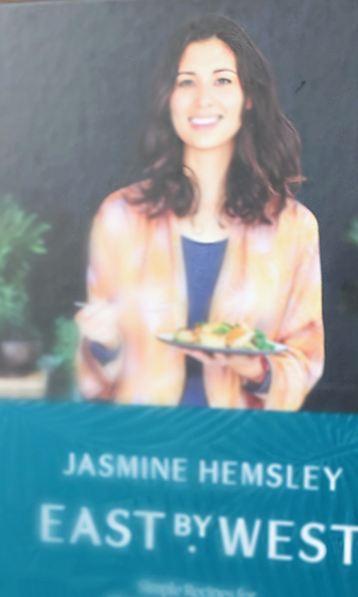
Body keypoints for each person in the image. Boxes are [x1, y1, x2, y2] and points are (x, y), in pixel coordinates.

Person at [75, 14, 324, 410]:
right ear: (168, 98)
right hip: (143, 448)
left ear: (249, 97)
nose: (202, 99)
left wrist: (255, 370)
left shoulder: (294, 228)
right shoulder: (119, 217)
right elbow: (91, 381)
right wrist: (103, 345)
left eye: (222, 80)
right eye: (186, 81)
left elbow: (305, 358)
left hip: (242, 454)